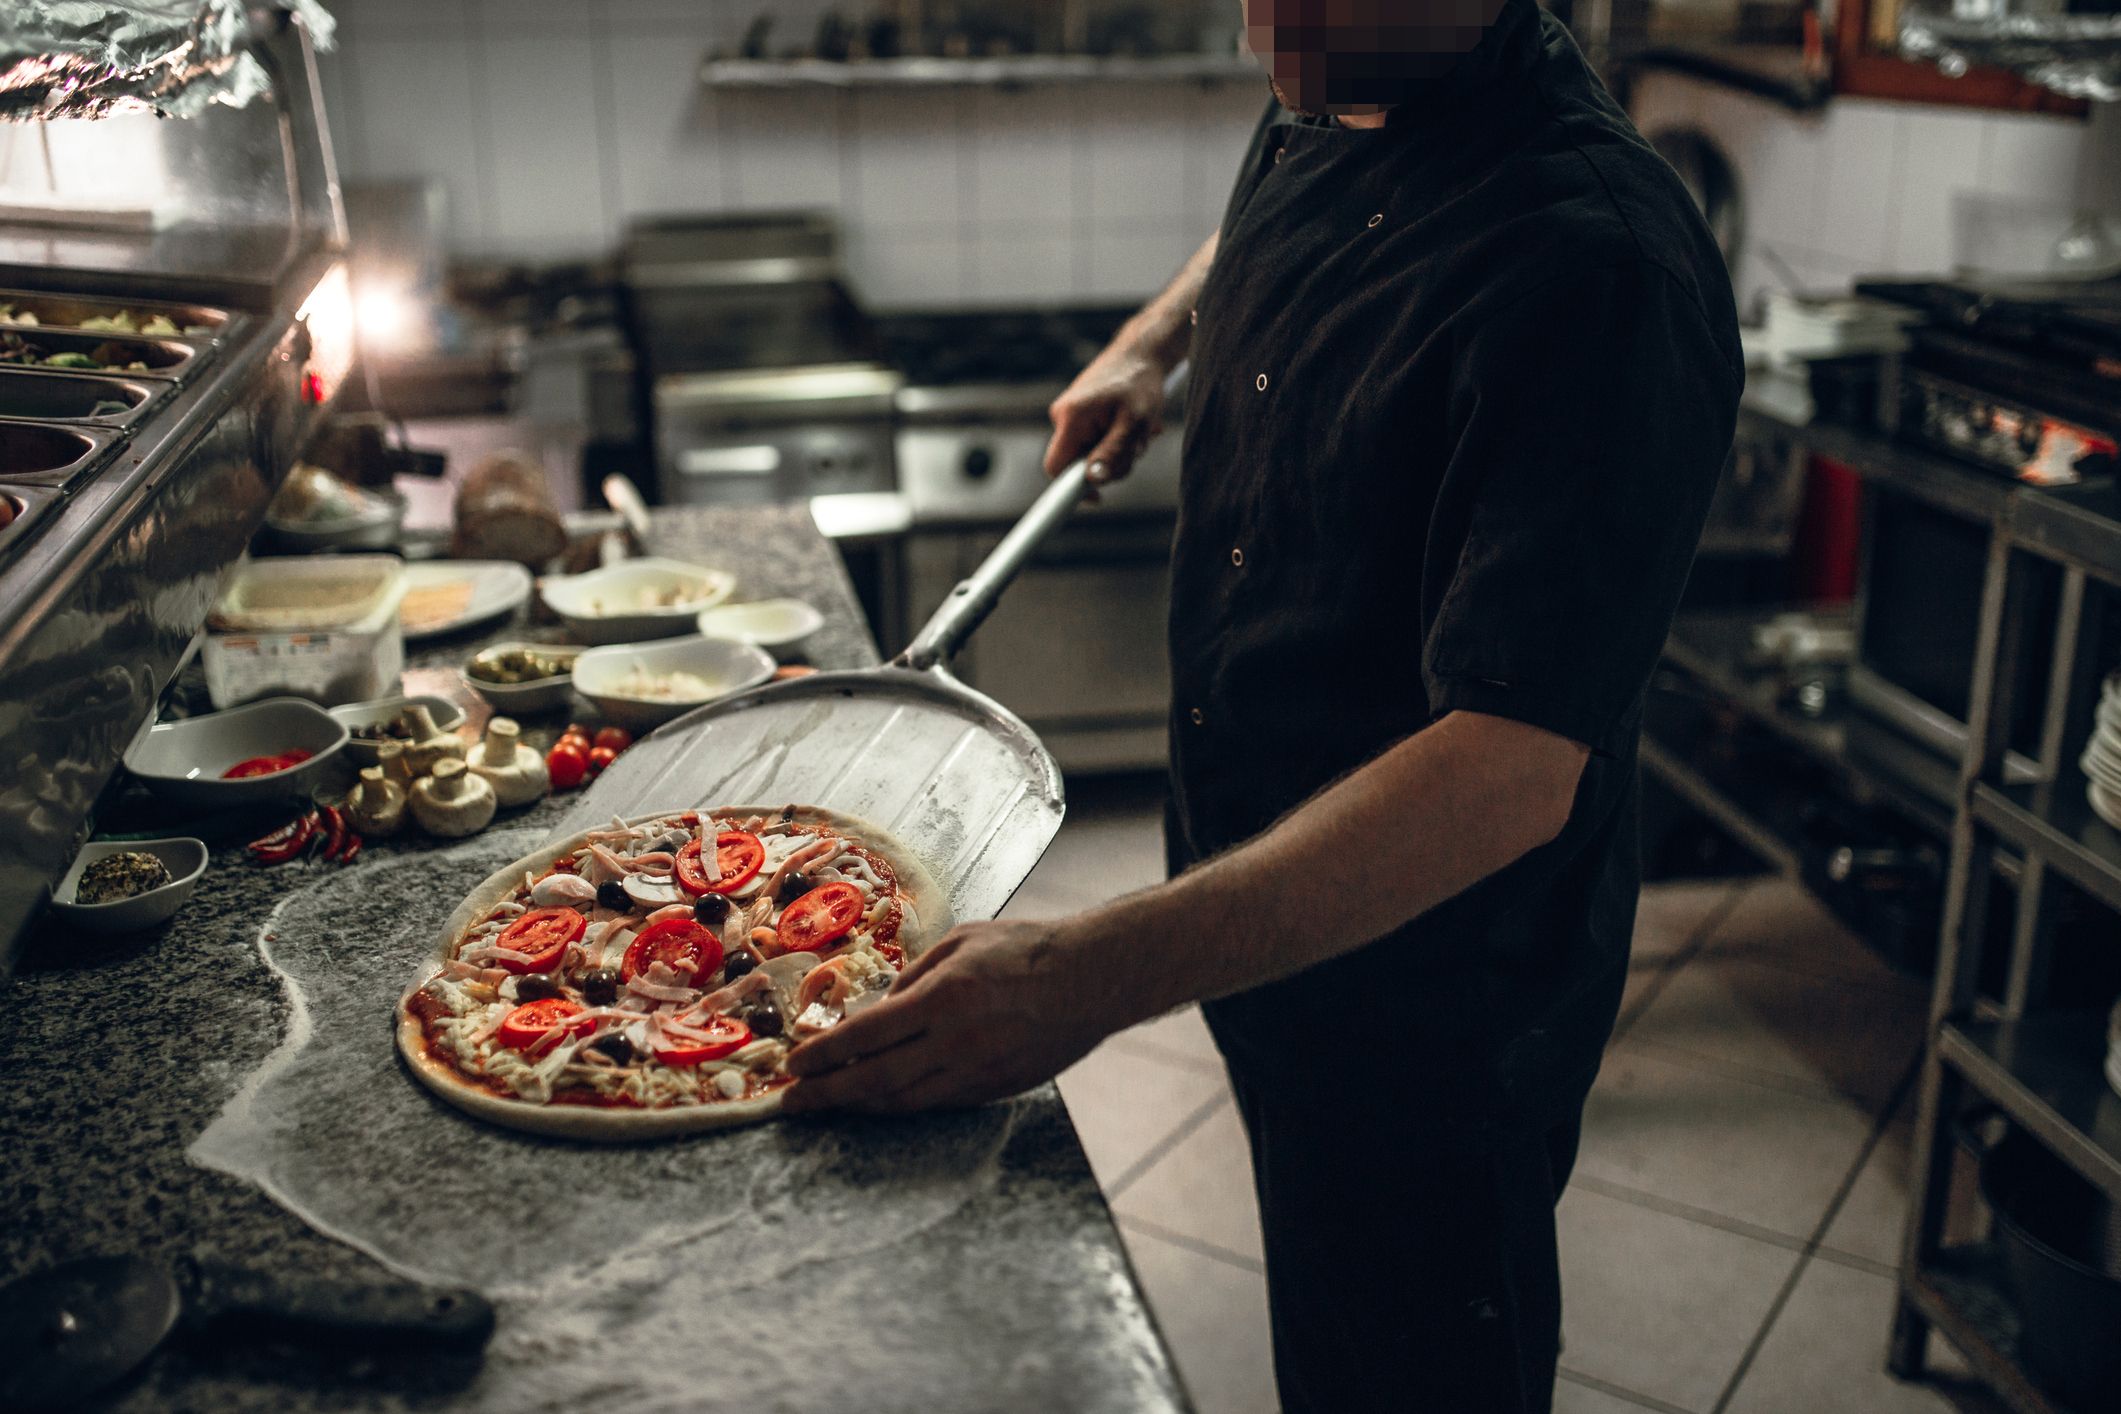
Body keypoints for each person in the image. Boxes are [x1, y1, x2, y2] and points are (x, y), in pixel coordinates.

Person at [785, 1, 1743, 1407]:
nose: (1264, 30)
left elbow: (1506, 767)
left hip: (1427, 1001)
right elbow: (1280, 183)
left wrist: (1087, 973)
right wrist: (1149, 340)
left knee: (1407, 1355)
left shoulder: (1600, 268)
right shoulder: (1346, 76)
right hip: (1264, 914)